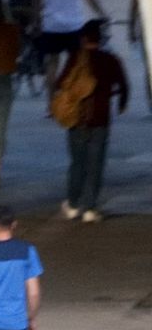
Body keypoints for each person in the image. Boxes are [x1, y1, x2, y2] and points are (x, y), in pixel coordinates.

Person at [52, 27, 128, 221]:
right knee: (96, 165)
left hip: (77, 118)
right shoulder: (110, 60)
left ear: (83, 39)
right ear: (99, 39)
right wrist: (120, 102)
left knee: (77, 163)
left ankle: (73, 204)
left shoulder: (75, 59)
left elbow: (59, 83)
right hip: (100, 119)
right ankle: (90, 208)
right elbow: (124, 85)